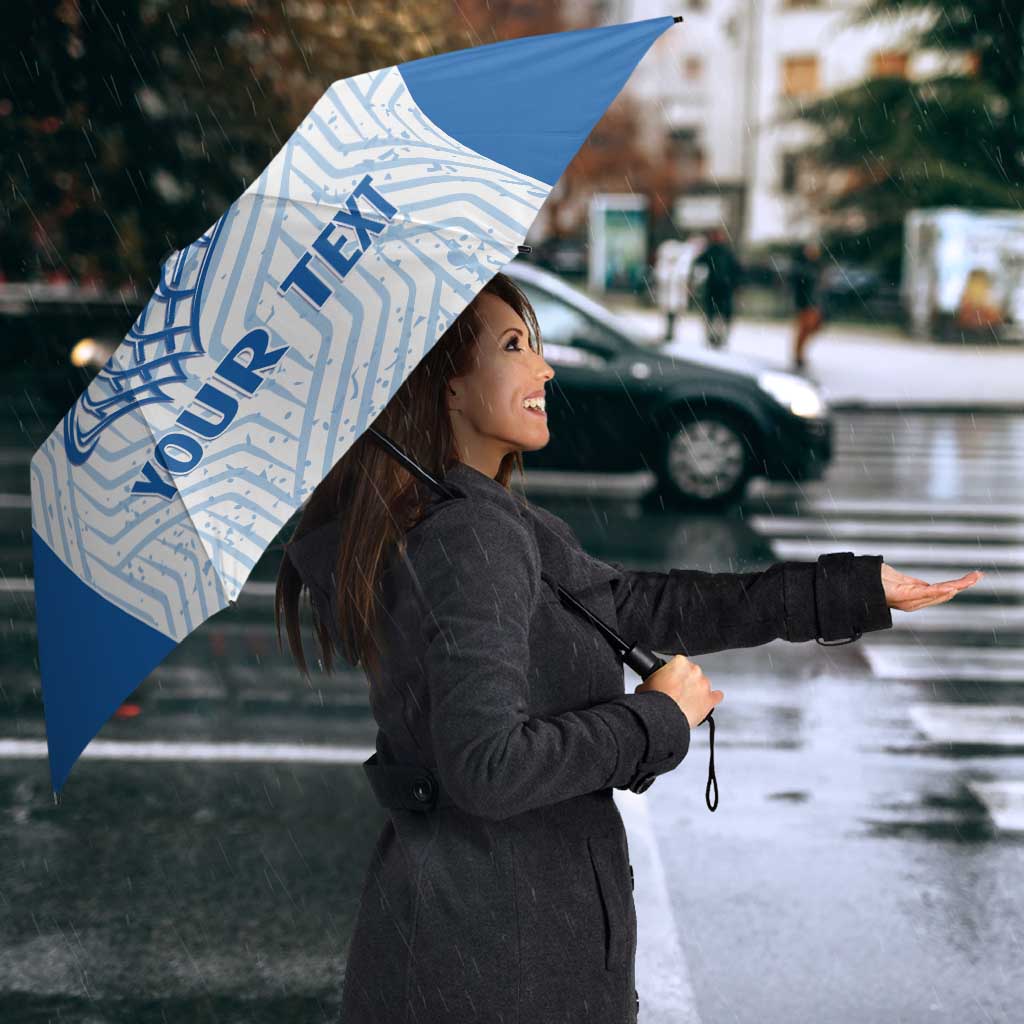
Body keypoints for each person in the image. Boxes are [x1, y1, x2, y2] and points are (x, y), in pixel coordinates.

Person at [276, 271, 980, 1024]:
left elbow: (642, 605)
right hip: (497, 963)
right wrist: (655, 719)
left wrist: (850, 590)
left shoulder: (478, 519)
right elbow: (487, 768)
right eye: (514, 346)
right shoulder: (469, 536)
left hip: (481, 942)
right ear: (444, 386)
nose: (544, 368)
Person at [692, 226, 742, 349]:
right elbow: (698, 264)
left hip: (723, 288)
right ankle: (713, 337)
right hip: (715, 288)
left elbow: (736, 270)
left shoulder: (725, 252)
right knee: (713, 314)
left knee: (720, 315)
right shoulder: (712, 251)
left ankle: (719, 337)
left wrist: (735, 284)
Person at [790, 239, 826, 370]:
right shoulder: (802, 267)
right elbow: (799, 286)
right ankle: (798, 355)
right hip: (805, 303)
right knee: (804, 329)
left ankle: (799, 354)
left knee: (812, 328)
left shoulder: (817, 266)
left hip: (814, 303)